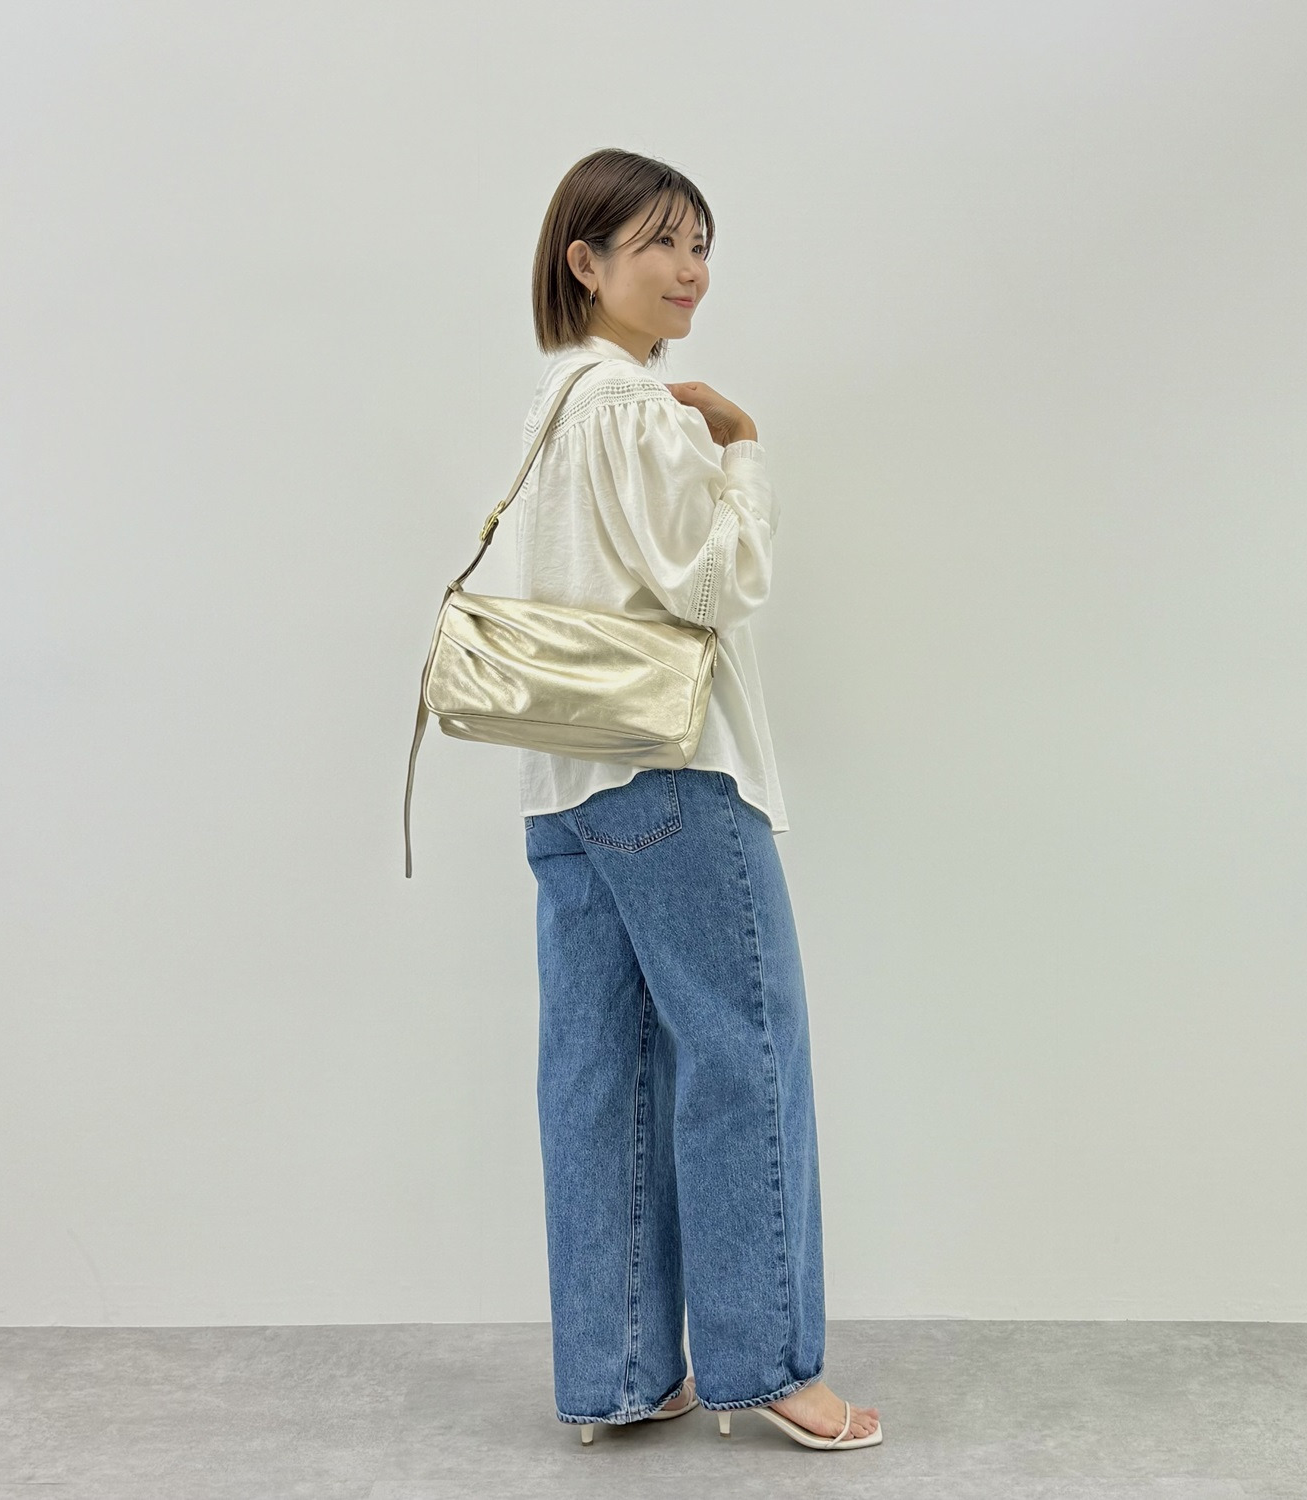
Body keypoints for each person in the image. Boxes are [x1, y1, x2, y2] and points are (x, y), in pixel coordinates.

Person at [516, 148, 882, 1454]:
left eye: (702, 245)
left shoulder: (553, 405)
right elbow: (716, 583)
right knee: (746, 1052)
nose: (691, 271)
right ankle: (766, 1363)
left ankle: (621, 1373)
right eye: (662, 243)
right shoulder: (638, 409)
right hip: (672, 774)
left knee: (598, 1071)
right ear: (586, 261)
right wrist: (745, 453)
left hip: (568, 786)